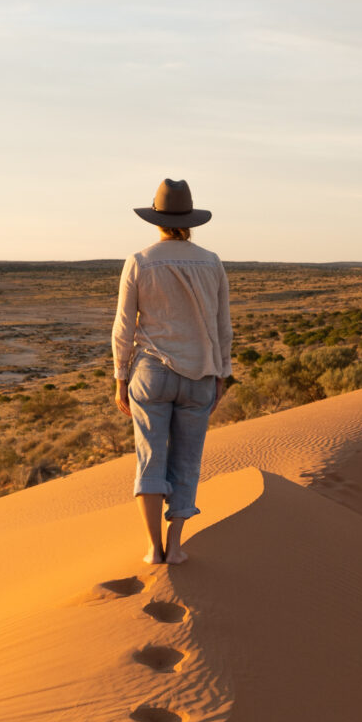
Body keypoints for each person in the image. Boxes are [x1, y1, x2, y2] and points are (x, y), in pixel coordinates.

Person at [112, 179, 233, 565]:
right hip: (200, 375)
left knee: (150, 457)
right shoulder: (212, 262)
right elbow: (222, 326)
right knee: (187, 461)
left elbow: (123, 326)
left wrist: (119, 378)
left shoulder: (140, 260)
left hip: (150, 373)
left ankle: (153, 548)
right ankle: (176, 546)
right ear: (191, 219)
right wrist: (222, 374)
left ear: (157, 219)